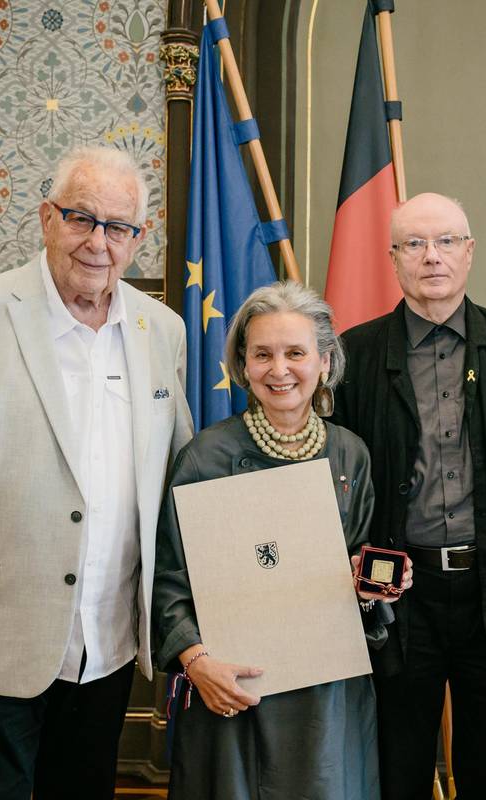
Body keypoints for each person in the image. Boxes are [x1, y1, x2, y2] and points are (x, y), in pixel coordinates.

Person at [0, 145, 193, 798]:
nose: (98, 242)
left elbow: (177, 479)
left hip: (107, 647)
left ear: (138, 239)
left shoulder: (161, 332)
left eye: (117, 227)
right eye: (82, 218)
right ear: (47, 217)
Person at [331, 192, 486, 799]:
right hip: (396, 599)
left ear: (469, 252)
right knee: (397, 772)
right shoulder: (355, 353)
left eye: (446, 241)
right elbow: (337, 487)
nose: (431, 256)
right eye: (414, 243)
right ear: (393, 258)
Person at [152, 281, 412, 800]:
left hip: (326, 690)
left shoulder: (350, 455)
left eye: (295, 353)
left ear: (324, 361)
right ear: (242, 365)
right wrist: (198, 665)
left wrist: (372, 588)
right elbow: (168, 580)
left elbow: (356, 571)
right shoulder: (205, 457)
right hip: (233, 686)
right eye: (262, 354)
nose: (279, 369)